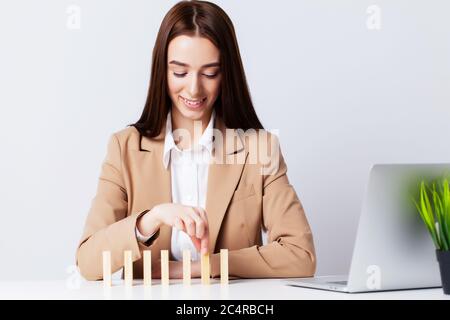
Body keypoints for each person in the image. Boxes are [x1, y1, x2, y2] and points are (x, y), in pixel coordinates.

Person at [76, 0, 316, 280]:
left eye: (210, 73)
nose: (193, 88)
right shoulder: (125, 148)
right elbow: (89, 263)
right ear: (161, 71)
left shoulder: (259, 148)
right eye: (180, 72)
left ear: (227, 74)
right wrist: (149, 219)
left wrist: (206, 266)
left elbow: (301, 256)